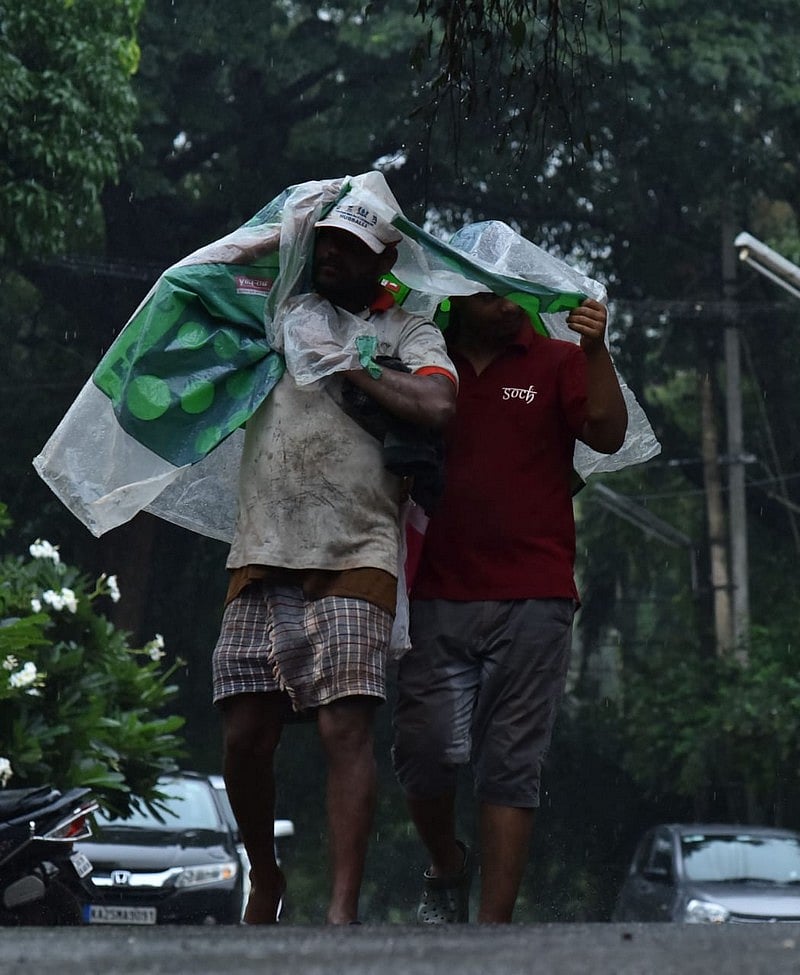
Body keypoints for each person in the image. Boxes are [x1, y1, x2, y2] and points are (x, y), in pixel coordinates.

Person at [212, 193, 458, 925]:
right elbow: (215, 264)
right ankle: (266, 872)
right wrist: (290, 225)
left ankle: (342, 913)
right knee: (245, 733)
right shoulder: (281, 308)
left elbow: (440, 408)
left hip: (358, 547)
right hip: (263, 544)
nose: (331, 254)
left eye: (351, 245)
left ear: (385, 259)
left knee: (343, 727)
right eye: (324, 241)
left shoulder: (407, 329)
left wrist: (353, 365)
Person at [392, 287, 628, 924]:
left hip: (536, 593)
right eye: (491, 293)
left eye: (515, 293)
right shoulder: (420, 359)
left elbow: (607, 433)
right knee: (425, 750)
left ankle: (493, 933)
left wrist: (596, 347)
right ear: (456, 297)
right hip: (435, 588)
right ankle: (447, 862)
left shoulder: (556, 360)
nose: (509, 305)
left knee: (512, 762)